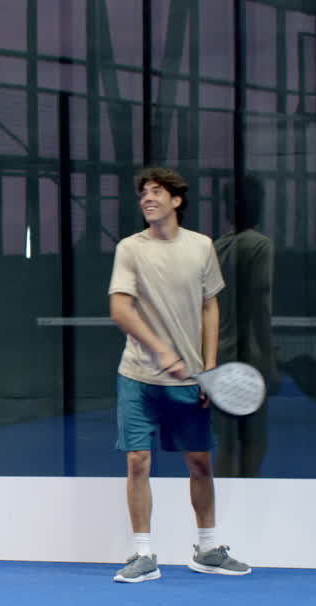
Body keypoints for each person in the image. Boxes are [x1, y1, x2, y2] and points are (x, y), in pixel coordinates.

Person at [107, 167, 252, 583]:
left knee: (201, 464)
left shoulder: (202, 247)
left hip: (190, 380)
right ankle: (143, 554)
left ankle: (207, 549)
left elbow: (211, 305)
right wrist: (161, 351)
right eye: (143, 194)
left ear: (177, 201)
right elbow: (121, 309)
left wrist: (207, 366)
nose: (147, 199)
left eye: (157, 192)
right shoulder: (130, 249)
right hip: (137, 375)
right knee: (138, 461)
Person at [213, 177, 277, 478]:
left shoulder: (217, 247)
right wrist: (269, 362)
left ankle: (223, 510)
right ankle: (247, 504)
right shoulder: (259, 245)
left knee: (226, 445)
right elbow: (259, 309)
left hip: (218, 359)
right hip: (248, 361)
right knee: (255, 443)